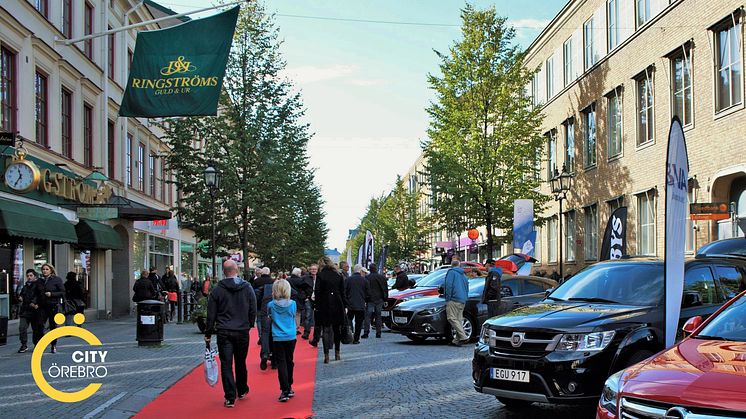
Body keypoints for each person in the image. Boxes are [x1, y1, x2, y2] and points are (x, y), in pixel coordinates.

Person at [205, 260, 257, 408]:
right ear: (237, 270)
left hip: (224, 331)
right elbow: (253, 307)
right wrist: (249, 324)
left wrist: (208, 332)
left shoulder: (217, 290)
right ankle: (241, 389)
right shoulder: (247, 287)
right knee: (241, 361)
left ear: (224, 271)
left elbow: (211, 314)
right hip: (241, 330)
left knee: (226, 364)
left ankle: (229, 396)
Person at [267, 279, 297, 402]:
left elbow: (270, 318)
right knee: (290, 361)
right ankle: (289, 386)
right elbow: (293, 315)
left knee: (281, 363)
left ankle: (284, 389)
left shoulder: (271, 305)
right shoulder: (293, 303)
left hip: (277, 336)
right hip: (291, 336)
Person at [314, 256, 347, 363]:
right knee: (337, 329)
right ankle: (337, 353)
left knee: (326, 330)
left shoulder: (320, 275)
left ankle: (326, 355)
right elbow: (343, 292)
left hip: (325, 303)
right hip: (338, 303)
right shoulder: (339, 274)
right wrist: (344, 306)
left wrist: (317, 305)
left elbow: (317, 292)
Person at [39, 263, 65, 354]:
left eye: (47, 269)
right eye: (43, 269)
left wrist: (52, 294)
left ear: (51, 270)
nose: (45, 271)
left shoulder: (56, 280)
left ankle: (53, 345)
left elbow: (62, 292)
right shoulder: (40, 280)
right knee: (40, 325)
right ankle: (40, 344)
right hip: (42, 306)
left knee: (53, 326)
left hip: (53, 306)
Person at [443, 256, 468, 347]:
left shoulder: (451, 273)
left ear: (451, 265)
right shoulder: (463, 274)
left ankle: (463, 336)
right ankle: (457, 340)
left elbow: (448, 286)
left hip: (454, 299)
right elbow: (467, 286)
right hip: (462, 299)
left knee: (451, 318)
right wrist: (465, 297)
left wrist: (448, 298)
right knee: (458, 319)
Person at [253, 267, 275, 369]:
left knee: (265, 332)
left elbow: (254, 295)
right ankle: (274, 358)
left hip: (261, 308)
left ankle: (265, 354)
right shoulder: (273, 282)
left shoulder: (257, 281)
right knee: (274, 332)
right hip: (273, 308)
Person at [17, 269, 42, 353]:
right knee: (22, 328)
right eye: (28, 276)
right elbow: (21, 294)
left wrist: (34, 303)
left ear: (34, 276)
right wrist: (20, 297)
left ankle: (36, 345)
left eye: (31, 275)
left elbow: (40, 295)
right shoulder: (25, 286)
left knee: (36, 329)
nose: (29, 277)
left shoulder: (38, 285)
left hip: (35, 311)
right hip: (25, 311)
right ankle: (24, 345)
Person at [345, 264, 369, 344]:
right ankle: (356, 339)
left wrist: (346, 302)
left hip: (350, 304)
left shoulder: (348, 280)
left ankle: (348, 335)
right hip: (361, 304)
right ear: (360, 270)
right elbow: (368, 294)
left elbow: (344, 292)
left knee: (349, 320)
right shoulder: (365, 280)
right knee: (359, 323)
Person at [363, 263, 388, 339]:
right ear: (376, 268)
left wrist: (365, 299)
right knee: (378, 316)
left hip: (370, 299)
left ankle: (366, 332)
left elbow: (365, 289)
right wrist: (385, 299)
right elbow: (385, 289)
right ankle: (378, 333)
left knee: (367, 316)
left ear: (369, 269)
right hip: (379, 299)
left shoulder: (367, 278)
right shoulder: (382, 277)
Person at [302, 264, 318, 342]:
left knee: (318, 317)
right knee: (308, 316)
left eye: (315, 269)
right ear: (309, 270)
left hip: (318, 300)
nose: (313, 271)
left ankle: (317, 333)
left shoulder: (320, 278)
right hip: (309, 299)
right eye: (312, 269)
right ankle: (306, 332)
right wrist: (305, 298)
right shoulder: (305, 278)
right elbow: (301, 289)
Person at [288, 268, 306, 335]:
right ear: (298, 273)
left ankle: (290, 328)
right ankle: (296, 329)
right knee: (297, 314)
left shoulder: (288, 280)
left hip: (289, 298)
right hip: (298, 299)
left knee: (290, 314)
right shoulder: (300, 280)